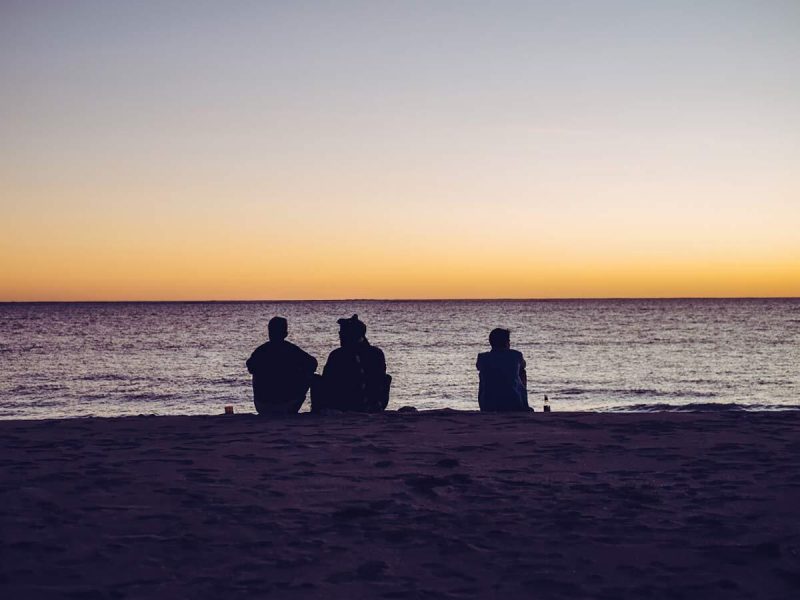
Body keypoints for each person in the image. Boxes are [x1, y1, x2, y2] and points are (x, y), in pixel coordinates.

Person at [312, 314, 391, 413]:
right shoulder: (377, 353)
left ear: (349, 335)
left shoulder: (338, 354)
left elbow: (328, 380)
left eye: (342, 332)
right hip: (374, 403)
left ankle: (317, 410)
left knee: (315, 379)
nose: (340, 335)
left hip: (346, 403)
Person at [246, 316, 317, 415]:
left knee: (256, 370)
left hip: (262, 406)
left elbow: (250, 366)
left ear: (269, 333)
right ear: (285, 334)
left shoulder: (261, 351)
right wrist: (297, 372)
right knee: (312, 377)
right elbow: (313, 364)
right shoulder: (292, 350)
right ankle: (316, 410)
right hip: (289, 405)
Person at [476, 328, 530, 412]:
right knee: (522, 372)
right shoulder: (516, 355)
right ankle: (525, 406)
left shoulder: (482, 357)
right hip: (514, 403)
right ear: (507, 342)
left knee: (483, 373)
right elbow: (523, 365)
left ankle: (484, 404)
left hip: (488, 405)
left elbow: (478, 366)